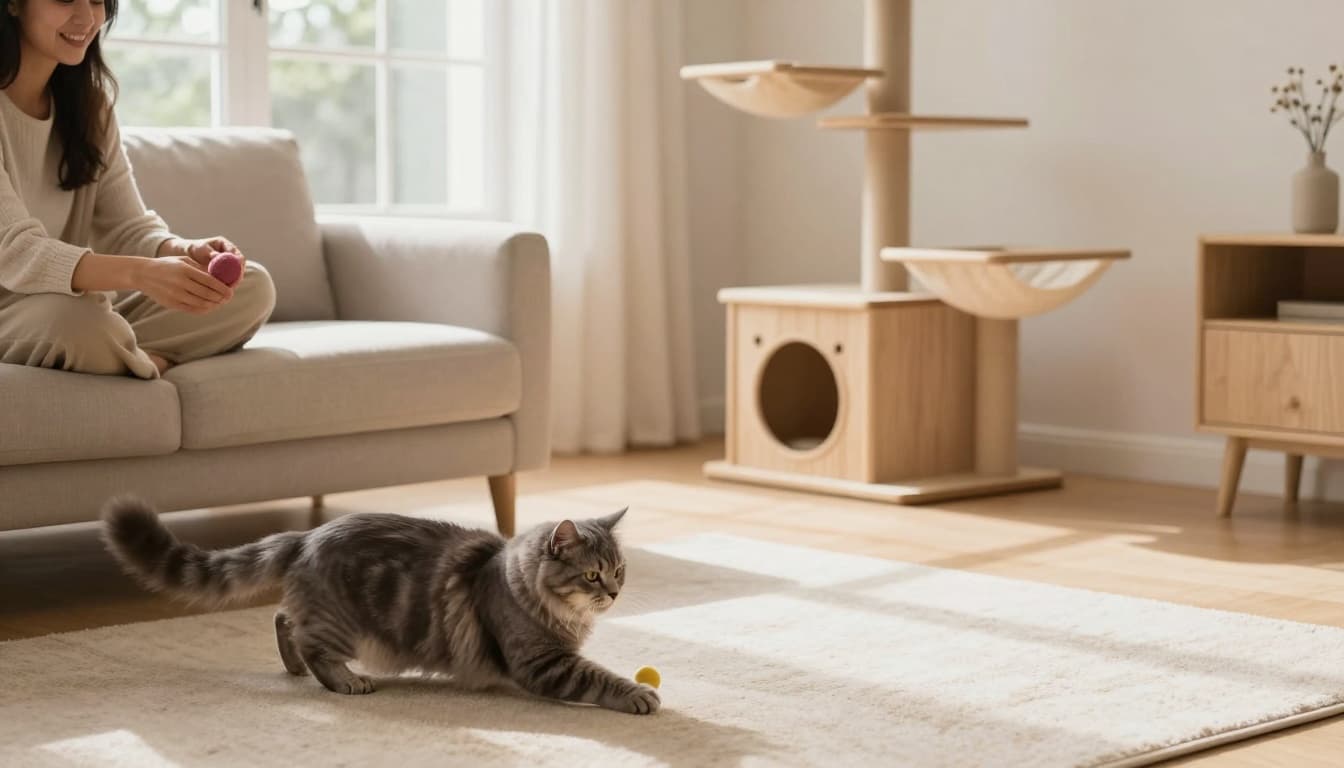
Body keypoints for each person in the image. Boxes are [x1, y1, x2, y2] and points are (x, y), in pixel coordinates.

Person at [0, 0, 275, 379]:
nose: (87, 17)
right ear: (13, 4)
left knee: (250, 287)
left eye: (97, 1)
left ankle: (119, 359)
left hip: (75, 305)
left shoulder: (90, 106)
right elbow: (15, 252)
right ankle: (135, 360)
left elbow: (127, 227)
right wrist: (141, 274)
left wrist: (183, 251)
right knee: (80, 322)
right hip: (20, 312)